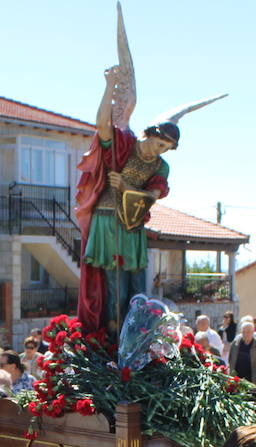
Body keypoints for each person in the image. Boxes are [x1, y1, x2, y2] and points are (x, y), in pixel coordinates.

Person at [76, 68, 175, 338]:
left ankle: (137, 334)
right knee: (113, 284)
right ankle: (113, 335)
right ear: (151, 134)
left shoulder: (160, 167)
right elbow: (102, 126)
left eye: (165, 148)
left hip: (132, 224)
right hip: (107, 218)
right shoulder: (124, 145)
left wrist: (125, 186)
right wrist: (108, 87)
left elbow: (151, 198)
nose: (160, 150)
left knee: (137, 284)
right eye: (159, 143)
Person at [226, 320, 256, 386]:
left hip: (254, 380)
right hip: (237, 380)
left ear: (253, 332)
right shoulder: (235, 343)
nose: (245, 334)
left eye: (248, 332)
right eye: (243, 332)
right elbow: (230, 359)